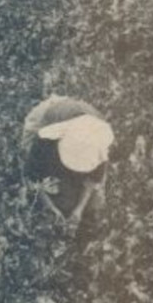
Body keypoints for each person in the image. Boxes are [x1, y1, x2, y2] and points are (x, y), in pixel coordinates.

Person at [20, 95, 115, 232]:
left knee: (95, 203)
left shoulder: (97, 141)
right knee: (45, 191)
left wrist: (78, 210)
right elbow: (32, 176)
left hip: (86, 117)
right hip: (48, 117)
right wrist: (50, 207)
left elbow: (93, 181)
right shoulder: (45, 140)